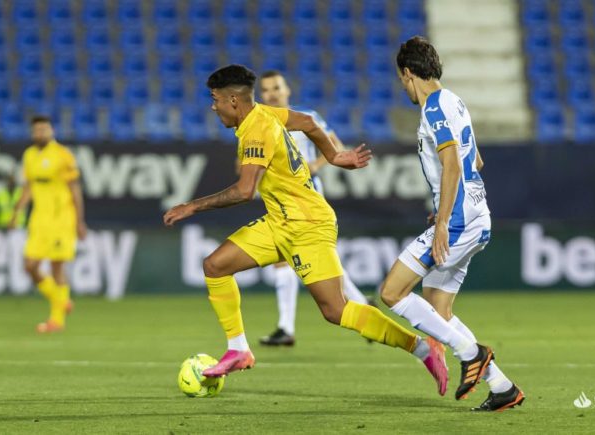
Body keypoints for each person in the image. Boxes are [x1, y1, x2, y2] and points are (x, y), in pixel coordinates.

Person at [163, 65, 446, 388]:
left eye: (215, 100)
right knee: (215, 266)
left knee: (336, 310)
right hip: (279, 221)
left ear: (233, 100)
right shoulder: (264, 113)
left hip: (307, 224)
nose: (213, 107)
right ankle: (239, 349)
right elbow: (309, 122)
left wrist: (192, 206)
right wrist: (334, 156)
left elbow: (244, 191)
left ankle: (423, 348)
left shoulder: (256, 130)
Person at [379, 36, 525, 411]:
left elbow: (453, 164)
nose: (402, 85)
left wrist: (443, 220)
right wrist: (444, 207)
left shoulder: (433, 108)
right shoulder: (454, 100)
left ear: (407, 73)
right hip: (475, 212)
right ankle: (503, 387)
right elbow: (476, 162)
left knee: (392, 292)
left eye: (400, 78)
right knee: (437, 307)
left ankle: (470, 353)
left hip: (460, 220)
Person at [256, 70, 373, 346]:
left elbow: (337, 146)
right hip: (280, 200)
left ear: (287, 90)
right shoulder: (259, 123)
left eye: (276, 87)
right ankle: (361, 307)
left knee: (302, 258)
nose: (272, 93)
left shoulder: (306, 117)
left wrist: (315, 166)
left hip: (307, 198)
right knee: (297, 258)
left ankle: (288, 328)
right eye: (267, 89)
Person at [10, 116, 88, 333]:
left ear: (52, 130)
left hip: (61, 218)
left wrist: (80, 221)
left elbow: (75, 189)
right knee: (29, 266)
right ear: (32, 132)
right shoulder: (29, 155)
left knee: (56, 267)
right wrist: (16, 212)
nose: (41, 133)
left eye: (44, 129)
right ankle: (61, 300)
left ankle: (57, 320)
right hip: (39, 219)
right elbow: (29, 187)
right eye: (37, 130)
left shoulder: (63, 155)